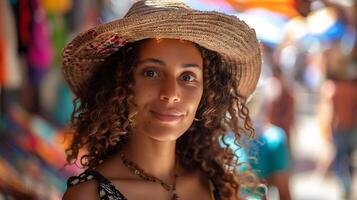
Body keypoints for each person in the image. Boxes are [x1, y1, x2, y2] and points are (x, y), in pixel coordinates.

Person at [61, 1, 262, 200]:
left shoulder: (218, 185)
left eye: (188, 77)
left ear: (207, 92)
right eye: (151, 72)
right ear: (119, 82)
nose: (171, 92)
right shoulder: (87, 195)